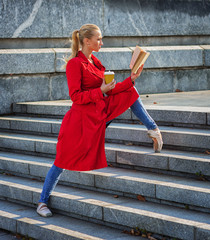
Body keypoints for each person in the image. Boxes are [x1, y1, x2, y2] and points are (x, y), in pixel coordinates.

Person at [37, 24, 163, 217]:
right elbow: (76, 97)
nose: (101, 43)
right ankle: (42, 202)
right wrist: (101, 91)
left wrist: (131, 78)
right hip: (80, 121)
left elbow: (111, 90)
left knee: (130, 91)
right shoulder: (74, 64)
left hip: (99, 113)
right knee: (61, 161)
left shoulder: (95, 62)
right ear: (87, 41)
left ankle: (153, 129)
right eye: (98, 39)